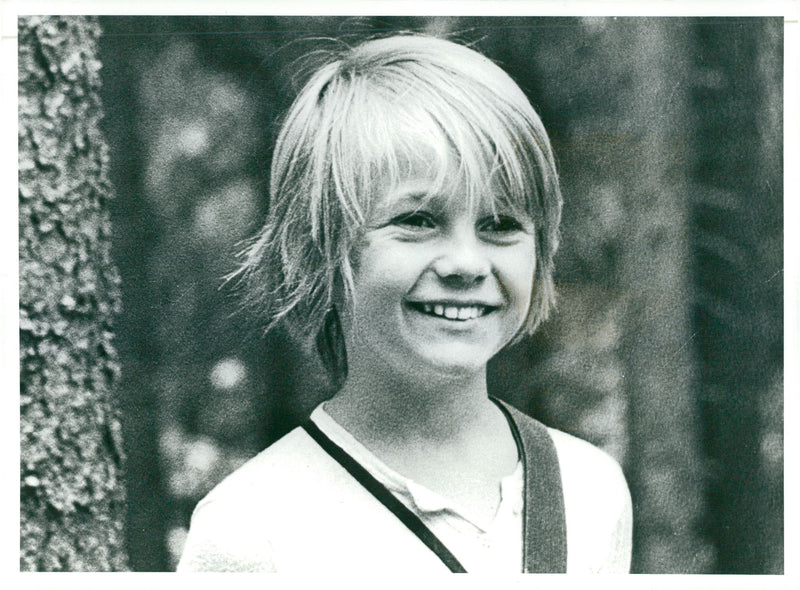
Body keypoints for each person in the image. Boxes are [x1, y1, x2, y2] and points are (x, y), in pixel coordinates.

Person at [177, 33, 632, 574]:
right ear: (319, 248)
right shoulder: (252, 527)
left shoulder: (590, 489)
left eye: (501, 224)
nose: (467, 263)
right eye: (417, 221)